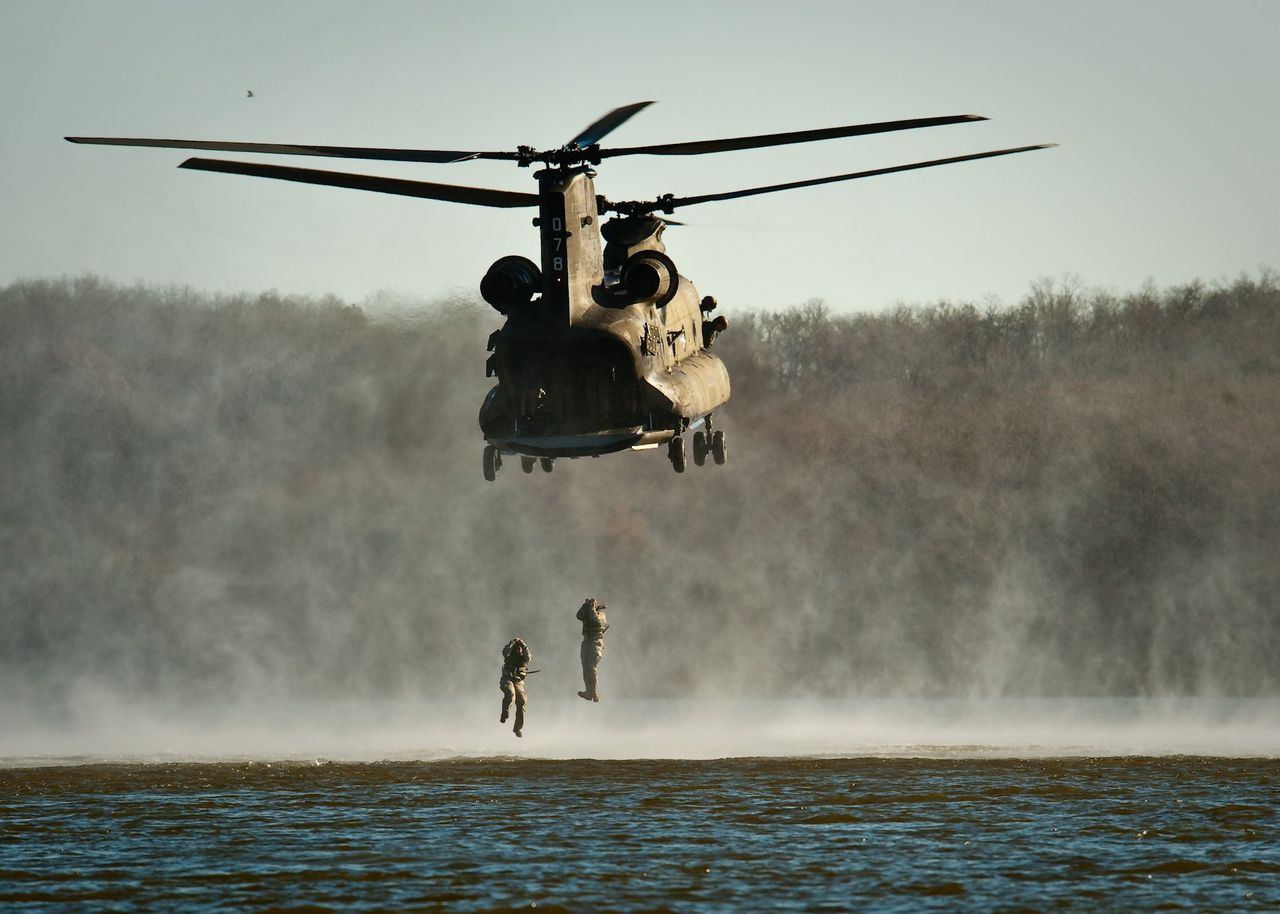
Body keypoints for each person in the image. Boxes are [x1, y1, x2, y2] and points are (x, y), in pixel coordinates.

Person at [576, 597, 609, 702]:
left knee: (591, 666)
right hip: (586, 643)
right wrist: (585, 606)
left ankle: (593, 692)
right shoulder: (589, 615)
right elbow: (579, 615)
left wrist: (590, 606)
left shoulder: (601, 616)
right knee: (585, 668)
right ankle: (588, 692)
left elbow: (594, 618)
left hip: (596, 644)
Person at [499, 636, 531, 737]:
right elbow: (505, 651)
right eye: (516, 647)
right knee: (510, 694)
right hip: (507, 678)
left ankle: (517, 728)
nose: (518, 649)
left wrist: (523, 644)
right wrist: (512, 642)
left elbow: (529, 657)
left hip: (518, 681)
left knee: (522, 702)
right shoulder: (508, 655)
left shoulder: (524, 657)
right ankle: (505, 714)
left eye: (519, 647)